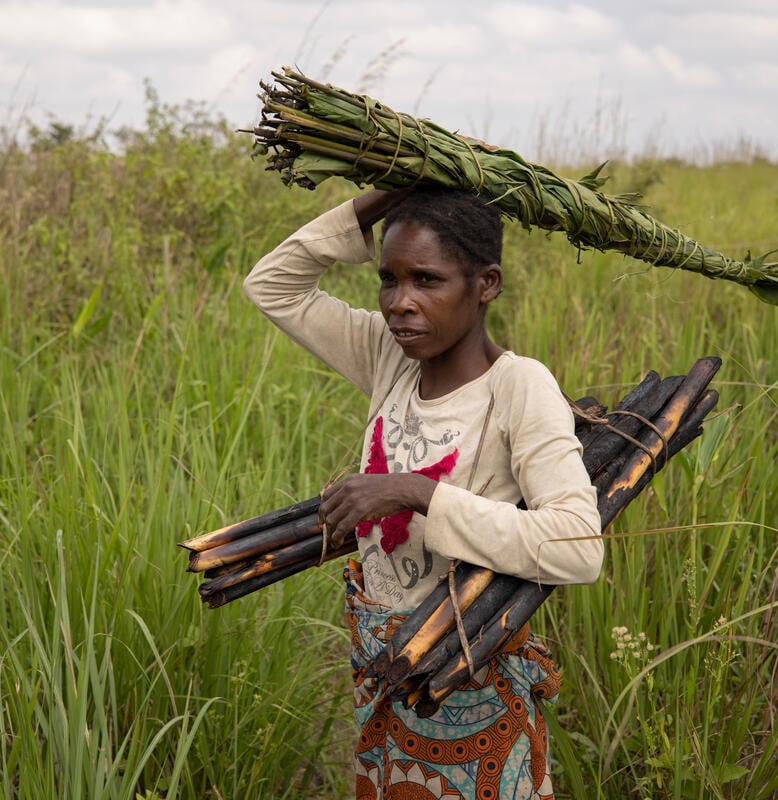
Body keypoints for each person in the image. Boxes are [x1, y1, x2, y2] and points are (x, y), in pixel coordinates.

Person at [244, 186, 604, 800]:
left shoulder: (517, 386)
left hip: (466, 682)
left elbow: (577, 546)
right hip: (384, 671)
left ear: (486, 284)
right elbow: (272, 285)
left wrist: (415, 492)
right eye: (389, 279)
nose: (400, 303)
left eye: (427, 280)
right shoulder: (391, 358)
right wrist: (390, 193)